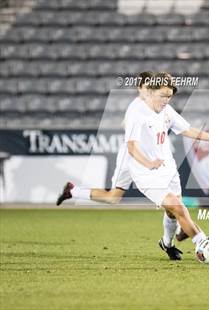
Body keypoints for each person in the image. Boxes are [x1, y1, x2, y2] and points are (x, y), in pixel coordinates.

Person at [56, 71, 188, 260]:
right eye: (144, 86)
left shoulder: (157, 105)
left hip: (150, 159)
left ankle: (170, 242)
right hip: (130, 157)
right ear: (140, 88)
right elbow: (130, 133)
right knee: (113, 198)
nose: (147, 90)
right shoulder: (136, 106)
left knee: (172, 201)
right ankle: (74, 191)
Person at [125, 72, 209, 260]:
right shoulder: (137, 113)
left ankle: (167, 243)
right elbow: (131, 146)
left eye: (169, 96)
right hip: (145, 172)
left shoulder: (166, 110)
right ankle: (202, 242)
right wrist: (149, 163)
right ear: (151, 92)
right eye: (163, 95)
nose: (166, 100)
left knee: (172, 211)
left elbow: (187, 129)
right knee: (177, 206)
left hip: (168, 169)